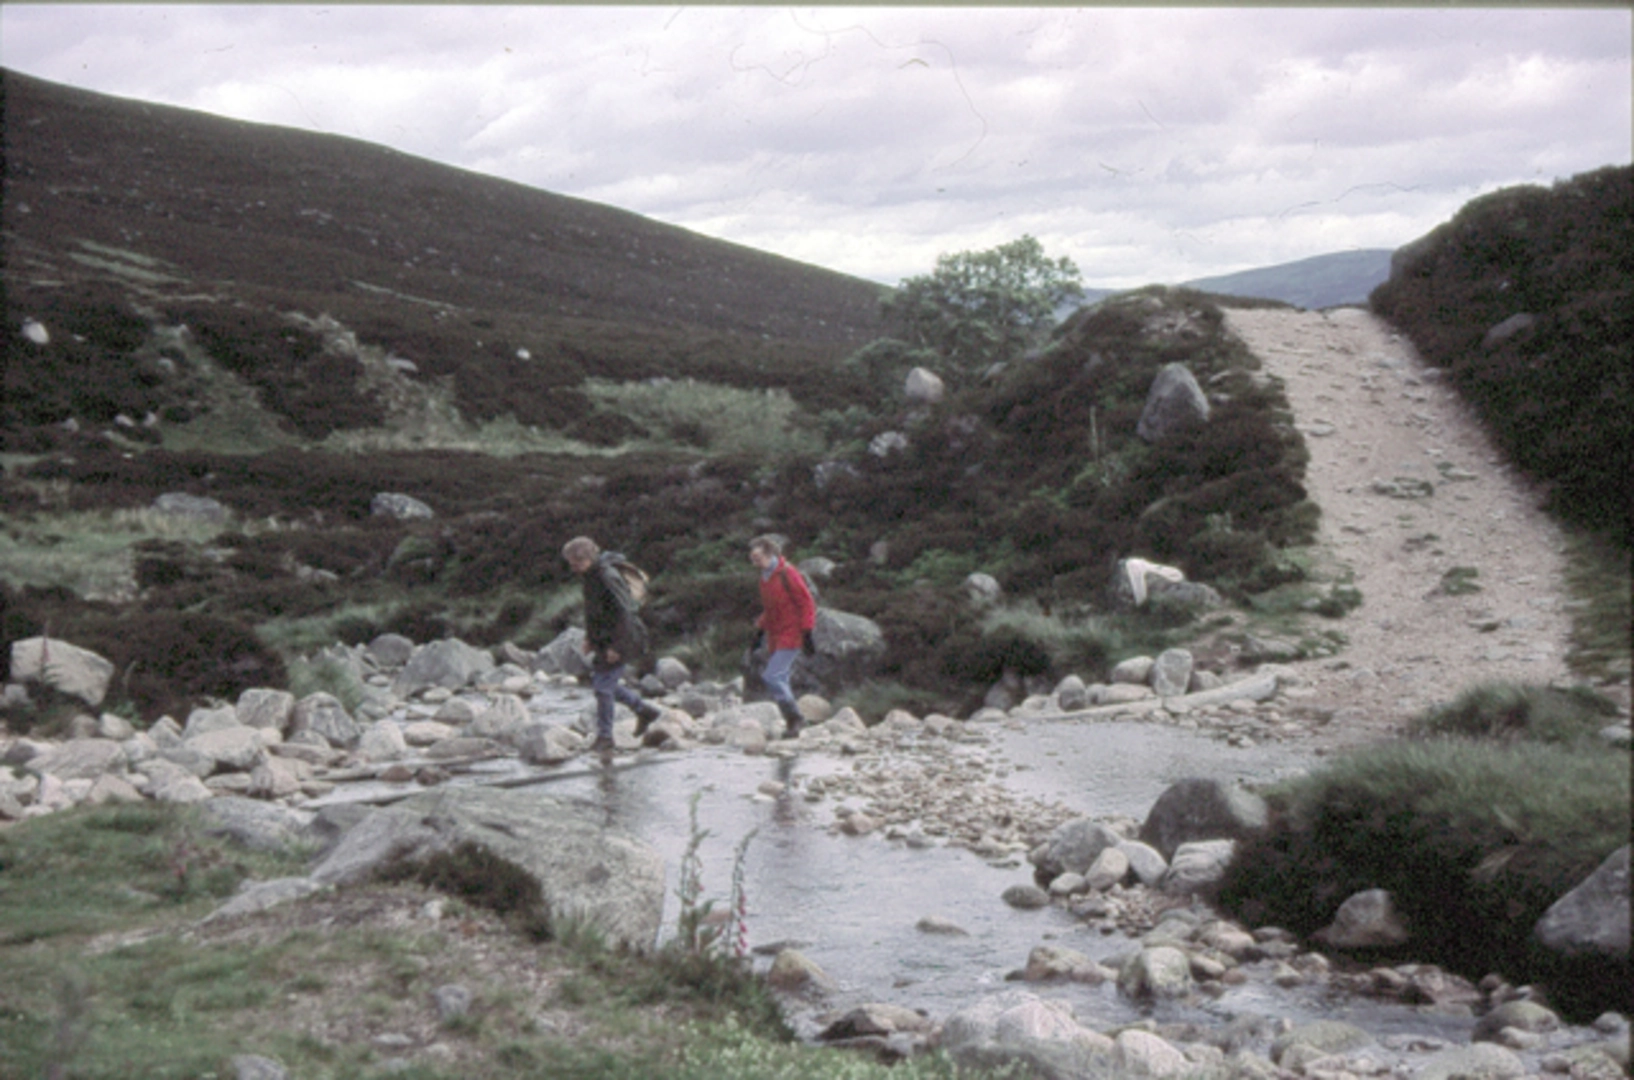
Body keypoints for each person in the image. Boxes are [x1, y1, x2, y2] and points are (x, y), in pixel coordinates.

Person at [562, 536, 663, 752]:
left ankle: (606, 738)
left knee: (602, 688)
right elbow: (593, 611)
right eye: (571, 563)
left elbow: (625, 613)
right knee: (604, 684)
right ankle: (645, 710)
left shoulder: (607, 576)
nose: (573, 567)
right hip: (605, 638)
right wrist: (589, 637)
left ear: (588, 558)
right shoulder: (590, 575)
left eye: (576, 562)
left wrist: (617, 647)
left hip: (622, 638)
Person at [748, 534, 817, 738]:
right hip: (776, 634)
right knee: (781, 677)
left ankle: (795, 718)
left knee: (773, 676)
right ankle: (792, 724)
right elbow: (770, 609)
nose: (755, 562)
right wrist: (760, 631)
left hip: (792, 632)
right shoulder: (765, 578)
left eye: (758, 557)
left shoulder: (788, 574)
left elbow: (807, 603)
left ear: (770, 554)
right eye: (752, 558)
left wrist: (807, 632)